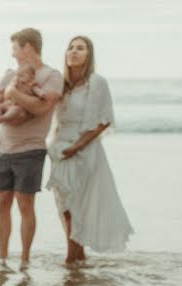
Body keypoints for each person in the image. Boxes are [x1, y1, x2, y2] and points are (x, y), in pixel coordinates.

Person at [46, 36, 134, 262]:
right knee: (64, 206)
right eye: (71, 47)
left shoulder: (96, 82)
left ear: (89, 54)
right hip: (59, 149)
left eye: (80, 48)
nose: (74, 51)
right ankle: (77, 256)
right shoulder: (62, 85)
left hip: (84, 150)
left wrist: (78, 146)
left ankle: (71, 259)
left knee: (77, 206)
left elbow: (104, 120)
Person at [0, 28, 64, 266]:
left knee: (25, 204)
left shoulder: (52, 76)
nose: (13, 55)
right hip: (2, 147)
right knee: (1, 202)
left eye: (15, 48)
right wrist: (3, 108)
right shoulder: (9, 74)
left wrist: (13, 94)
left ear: (28, 47)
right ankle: (2, 257)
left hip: (30, 149)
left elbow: (42, 109)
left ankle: (24, 259)